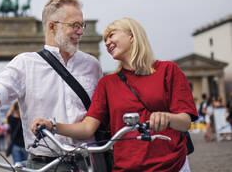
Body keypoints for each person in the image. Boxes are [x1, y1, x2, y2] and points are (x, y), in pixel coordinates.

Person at [0, 0, 103, 171]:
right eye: (74, 25)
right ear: (52, 26)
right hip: (44, 164)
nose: (81, 31)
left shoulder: (92, 65)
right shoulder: (25, 64)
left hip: (89, 163)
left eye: (82, 25)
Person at [32, 17, 198, 172]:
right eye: (104, 40)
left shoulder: (168, 71)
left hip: (172, 165)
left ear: (131, 35)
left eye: (111, 35)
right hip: (126, 167)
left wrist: (168, 118)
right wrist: (53, 126)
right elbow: (87, 127)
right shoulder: (107, 83)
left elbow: (185, 122)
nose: (107, 42)